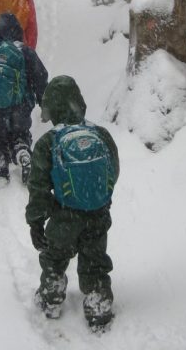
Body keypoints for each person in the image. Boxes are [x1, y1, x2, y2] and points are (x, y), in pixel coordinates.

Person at [25, 75, 119, 331]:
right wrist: (101, 201)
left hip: (64, 217)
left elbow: (39, 187)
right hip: (98, 215)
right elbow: (113, 171)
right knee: (95, 262)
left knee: (55, 258)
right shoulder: (100, 134)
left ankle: (51, 298)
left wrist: (36, 221)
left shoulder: (49, 142)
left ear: (53, 108)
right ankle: (99, 306)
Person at [0, 12, 48, 189]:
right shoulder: (25, 51)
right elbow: (40, 76)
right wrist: (42, 99)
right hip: (22, 105)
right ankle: (22, 150)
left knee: (0, 140)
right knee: (21, 134)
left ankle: (0, 168)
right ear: (18, 31)